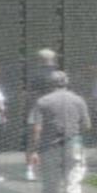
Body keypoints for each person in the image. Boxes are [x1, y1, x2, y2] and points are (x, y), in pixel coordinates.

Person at [29, 71, 91, 193]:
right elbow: (87, 125)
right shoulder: (78, 100)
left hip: (49, 147)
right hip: (74, 144)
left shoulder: (42, 102)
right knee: (74, 182)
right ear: (66, 82)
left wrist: (35, 150)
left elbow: (37, 128)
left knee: (50, 186)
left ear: (50, 83)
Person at [26, 49, 61, 181]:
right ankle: (31, 169)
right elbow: (30, 94)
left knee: (45, 139)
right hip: (42, 109)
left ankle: (41, 169)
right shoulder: (37, 76)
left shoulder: (58, 76)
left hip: (49, 109)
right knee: (37, 137)